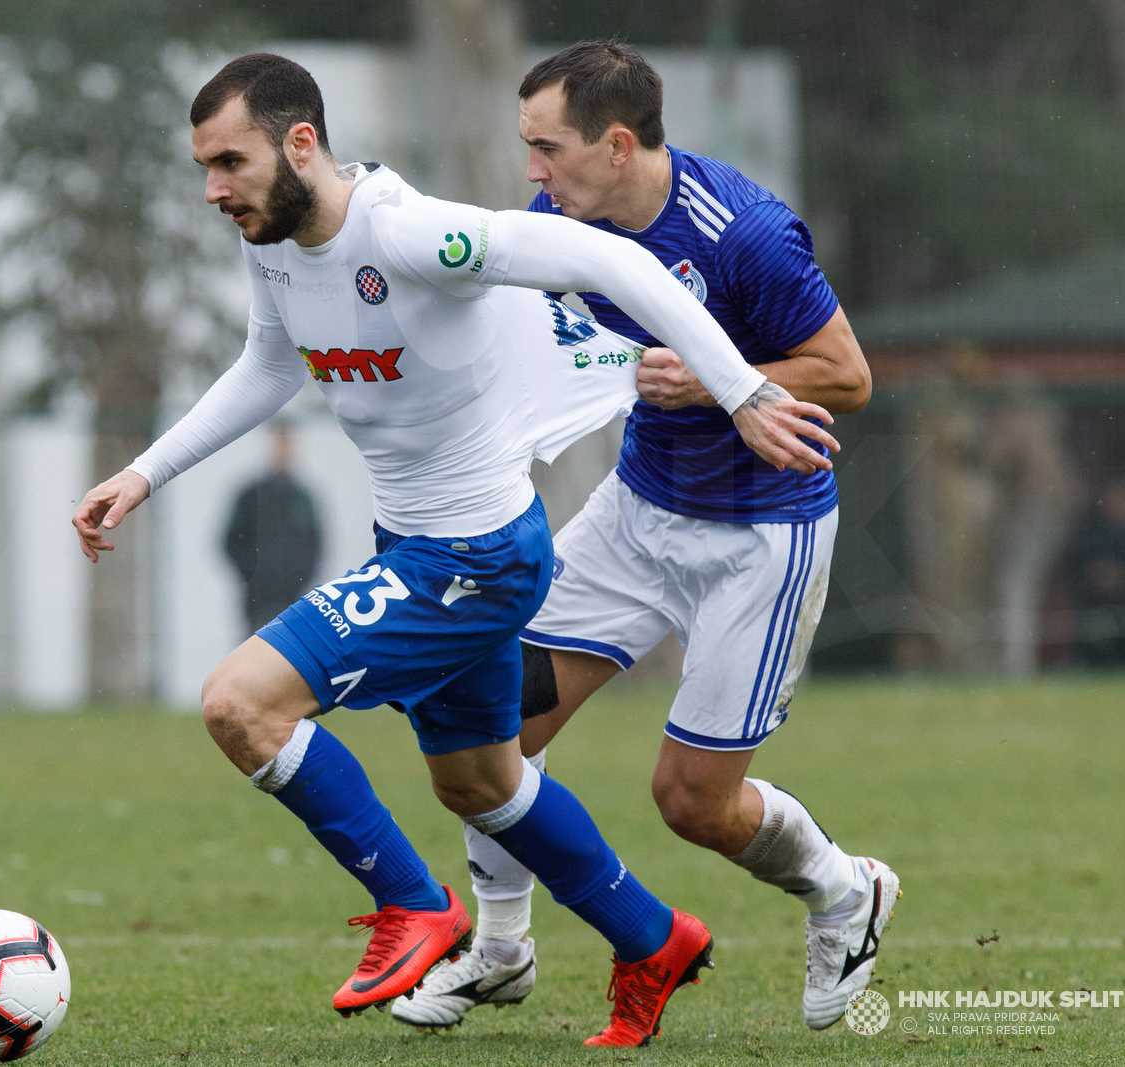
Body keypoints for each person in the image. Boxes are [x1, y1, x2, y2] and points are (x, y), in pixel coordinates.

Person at [72, 54, 839, 1046]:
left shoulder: (407, 232)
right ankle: (651, 938)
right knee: (480, 780)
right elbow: (269, 362)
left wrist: (740, 390)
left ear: (301, 143)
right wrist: (144, 472)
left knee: (239, 702)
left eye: (230, 161)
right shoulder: (273, 241)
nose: (214, 188)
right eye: (205, 168)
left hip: (474, 555)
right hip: (418, 542)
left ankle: (413, 906)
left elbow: (618, 264)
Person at [396, 40, 898, 1035]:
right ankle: (499, 949)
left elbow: (847, 375)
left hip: (759, 540)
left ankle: (846, 890)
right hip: (635, 515)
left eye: (548, 148)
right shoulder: (557, 224)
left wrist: (717, 377)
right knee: (491, 724)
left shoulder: (743, 233)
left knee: (692, 802)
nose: (532, 172)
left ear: (616, 144)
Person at [222, 423, 324, 634]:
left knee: (291, 655)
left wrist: (300, 578)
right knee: (254, 656)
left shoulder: (302, 497)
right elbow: (230, 540)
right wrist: (252, 573)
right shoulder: (251, 495)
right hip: (256, 598)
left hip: (293, 598)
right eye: (279, 444)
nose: (284, 451)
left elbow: (316, 543)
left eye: (288, 445)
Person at [1065, 478, 1125, 666]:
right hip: (1092, 607)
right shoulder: (1090, 532)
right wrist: (1096, 575)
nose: (1121, 505)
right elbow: (1071, 567)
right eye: (1117, 498)